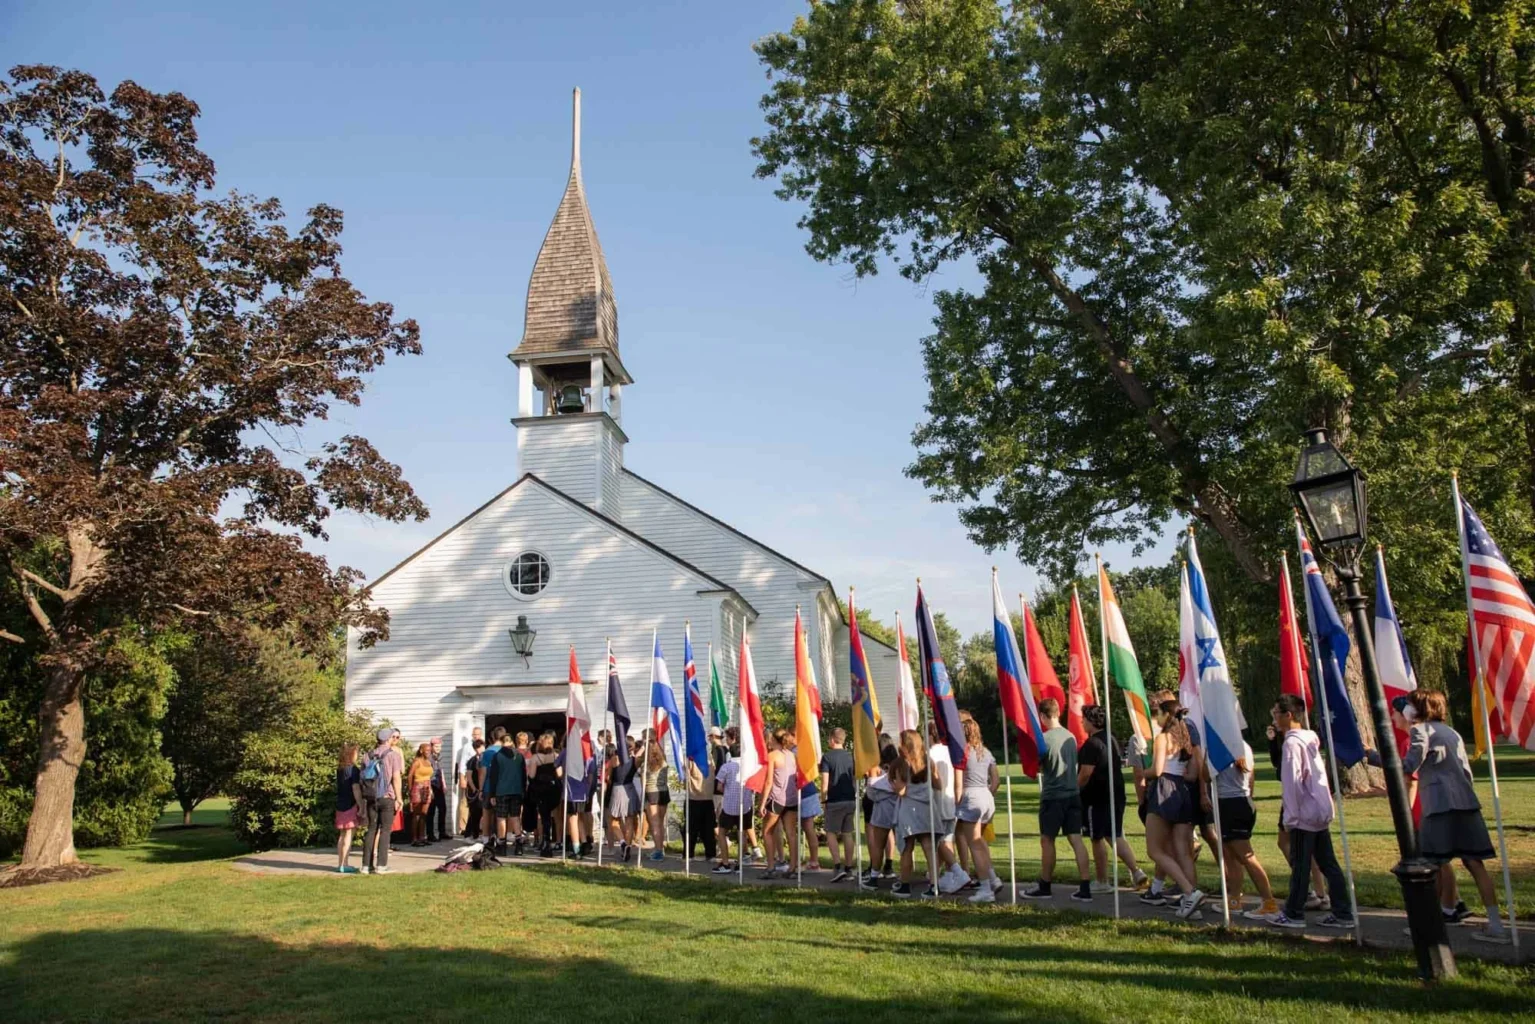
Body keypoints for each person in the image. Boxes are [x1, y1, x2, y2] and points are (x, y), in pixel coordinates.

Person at [1400, 690, 1508, 944]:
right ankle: (1496, 924)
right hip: (1467, 804)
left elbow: (1408, 766)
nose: (1405, 709)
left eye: (1409, 705)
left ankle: (1428, 926)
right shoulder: (1452, 732)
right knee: (1475, 863)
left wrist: (1374, 757)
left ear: (1419, 709)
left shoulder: (1421, 731)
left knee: (1430, 864)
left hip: (1439, 807)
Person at [1269, 694, 1354, 930]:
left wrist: (1291, 816)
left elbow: (1293, 781)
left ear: (1289, 715)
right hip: (1319, 809)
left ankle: (1294, 912)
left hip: (1304, 813)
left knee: (1301, 864)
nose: (1274, 718)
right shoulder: (1310, 739)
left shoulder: (1292, 743)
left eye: (1276, 713)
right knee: (1328, 863)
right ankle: (1343, 911)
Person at [1022, 699, 1093, 903]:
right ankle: (1085, 885)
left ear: (1043, 717)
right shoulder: (1070, 737)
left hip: (1053, 797)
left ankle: (1045, 885)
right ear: (1058, 713)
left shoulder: (1043, 740)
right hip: (1073, 795)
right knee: (1076, 840)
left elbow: (1034, 768)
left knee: (1047, 841)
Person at [1139, 699, 1205, 917]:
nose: (1156, 717)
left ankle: (1189, 892)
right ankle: (1192, 899)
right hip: (1183, 791)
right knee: (1183, 851)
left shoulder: (1162, 738)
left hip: (1164, 790)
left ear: (1167, 715)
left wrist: (1143, 774)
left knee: (1155, 850)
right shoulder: (1185, 739)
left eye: (1158, 713)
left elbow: (1157, 770)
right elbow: (1193, 773)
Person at [1077, 705, 1147, 893]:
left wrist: (1075, 790)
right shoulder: (1112, 739)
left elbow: (1085, 773)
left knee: (1097, 837)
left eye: (1083, 719)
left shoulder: (1092, 744)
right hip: (1116, 794)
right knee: (1113, 834)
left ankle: (1102, 880)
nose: (1081, 722)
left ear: (1091, 721)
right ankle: (1137, 871)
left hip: (1096, 797)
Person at [1212, 732, 1278, 921]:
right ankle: (1234, 899)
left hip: (1231, 804)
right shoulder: (1245, 746)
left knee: (1246, 856)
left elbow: (1205, 775)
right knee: (1229, 855)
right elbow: (1251, 779)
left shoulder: (1220, 748)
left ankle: (1269, 901)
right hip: (1242, 801)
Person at [955, 718, 1003, 902]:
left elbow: (959, 784)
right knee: (981, 842)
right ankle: (993, 878)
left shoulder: (962, 752)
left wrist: (957, 804)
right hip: (986, 796)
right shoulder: (986, 751)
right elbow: (995, 779)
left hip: (971, 796)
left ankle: (985, 888)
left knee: (973, 844)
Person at [888, 729, 939, 898]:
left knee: (907, 849)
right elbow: (938, 783)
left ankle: (905, 885)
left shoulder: (901, 763)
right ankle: (934, 885)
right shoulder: (928, 760)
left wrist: (894, 785)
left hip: (908, 809)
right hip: (926, 809)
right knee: (929, 847)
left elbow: (901, 791)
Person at [926, 722, 967, 893]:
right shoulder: (950, 751)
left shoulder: (930, 754)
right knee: (947, 840)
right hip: (951, 800)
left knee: (939, 841)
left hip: (938, 801)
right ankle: (946, 876)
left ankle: (957, 871)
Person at [757, 728, 800, 879]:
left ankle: (770, 867)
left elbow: (769, 781)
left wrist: (762, 804)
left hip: (777, 799)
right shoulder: (793, 756)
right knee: (791, 834)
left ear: (774, 740)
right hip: (792, 799)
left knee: (767, 832)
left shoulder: (772, 756)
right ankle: (793, 868)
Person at [859, 742, 900, 889]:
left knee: (878, 844)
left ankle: (874, 876)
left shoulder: (877, 770)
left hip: (883, 811)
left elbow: (871, 793)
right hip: (899, 808)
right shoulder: (900, 767)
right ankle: (901, 876)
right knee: (903, 845)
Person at [819, 728, 858, 883]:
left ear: (832, 739)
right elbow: (854, 778)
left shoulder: (827, 757)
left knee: (830, 832)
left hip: (834, 800)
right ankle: (848, 867)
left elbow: (824, 782)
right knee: (848, 832)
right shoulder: (851, 757)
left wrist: (823, 800)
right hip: (849, 799)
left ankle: (837, 866)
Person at [363, 727, 402, 874]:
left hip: (371, 796)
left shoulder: (367, 755)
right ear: (389, 739)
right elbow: (396, 777)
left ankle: (366, 866)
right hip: (387, 797)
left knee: (371, 830)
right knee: (385, 830)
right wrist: (399, 798)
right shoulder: (393, 755)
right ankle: (381, 865)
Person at [487, 727, 529, 856]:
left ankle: (502, 845)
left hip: (501, 791)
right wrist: (523, 790)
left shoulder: (497, 756)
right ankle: (519, 845)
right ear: (512, 742)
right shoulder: (519, 756)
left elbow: (493, 776)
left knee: (501, 818)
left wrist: (492, 793)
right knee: (515, 817)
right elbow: (523, 775)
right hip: (516, 791)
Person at [528, 731, 562, 856]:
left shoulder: (535, 758)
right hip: (554, 789)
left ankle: (545, 841)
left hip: (541, 789)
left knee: (543, 817)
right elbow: (559, 774)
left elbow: (531, 776)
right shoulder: (556, 756)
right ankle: (558, 841)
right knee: (557, 816)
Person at [685, 749, 719, 864]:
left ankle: (689, 854)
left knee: (691, 829)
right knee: (708, 829)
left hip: (694, 797)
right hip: (708, 798)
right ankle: (711, 854)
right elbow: (713, 771)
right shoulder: (710, 758)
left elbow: (685, 775)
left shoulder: (691, 758)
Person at [335, 742, 363, 874]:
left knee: (342, 834)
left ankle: (340, 863)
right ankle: (345, 863)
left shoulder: (340, 769)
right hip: (351, 804)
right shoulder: (353, 769)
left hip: (340, 804)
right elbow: (355, 788)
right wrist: (361, 805)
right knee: (349, 834)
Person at [643, 739, 672, 862]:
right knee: (660, 823)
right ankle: (660, 847)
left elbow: (643, 780)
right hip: (664, 792)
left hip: (652, 792)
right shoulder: (664, 762)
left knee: (654, 824)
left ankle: (658, 851)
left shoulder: (647, 764)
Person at [456, 725, 483, 836]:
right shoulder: (468, 747)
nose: (476, 736)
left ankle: (477, 828)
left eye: (477, 734)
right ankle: (463, 827)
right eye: (474, 734)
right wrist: (462, 779)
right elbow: (462, 764)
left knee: (478, 807)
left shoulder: (482, 746)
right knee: (466, 803)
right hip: (469, 777)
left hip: (478, 779)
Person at [407, 743, 434, 847]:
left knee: (424, 814)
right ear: (421, 750)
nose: (428, 752)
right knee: (416, 814)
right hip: (417, 787)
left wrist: (431, 790)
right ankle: (414, 838)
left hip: (427, 787)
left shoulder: (428, 762)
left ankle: (422, 837)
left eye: (430, 750)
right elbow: (410, 775)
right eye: (426, 750)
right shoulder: (417, 762)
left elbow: (429, 777)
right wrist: (410, 790)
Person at [461, 738, 485, 841]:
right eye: (478, 748)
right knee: (474, 813)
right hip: (473, 791)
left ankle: (475, 834)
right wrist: (475, 789)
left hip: (481, 789)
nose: (481, 749)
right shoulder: (472, 761)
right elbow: (469, 777)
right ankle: (468, 834)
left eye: (482, 747)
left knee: (479, 813)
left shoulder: (484, 759)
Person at [425, 737, 447, 843]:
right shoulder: (429, 758)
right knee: (431, 811)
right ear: (432, 746)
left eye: (440, 746)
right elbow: (428, 775)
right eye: (436, 746)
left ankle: (442, 832)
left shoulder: (439, 757)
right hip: (431, 784)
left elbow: (440, 771)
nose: (439, 748)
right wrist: (430, 789)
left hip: (439, 785)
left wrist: (444, 784)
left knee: (443, 808)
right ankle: (430, 834)